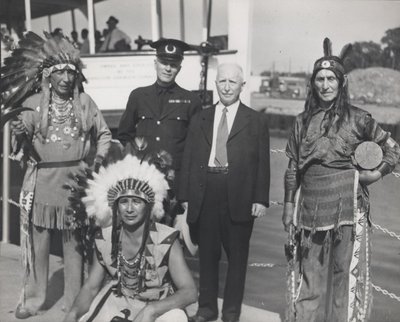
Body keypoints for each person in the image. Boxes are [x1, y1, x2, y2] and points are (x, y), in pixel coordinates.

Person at [282, 38, 400, 322]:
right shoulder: (301, 121)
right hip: (308, 209)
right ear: (313, 83)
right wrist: (288, 205)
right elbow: (292, 166)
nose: (325, 85)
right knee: (309, 278)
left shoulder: (358, 118)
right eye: (319, 79)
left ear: (341, 82)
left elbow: (393, 148)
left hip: (348, 209)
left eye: (331, 78)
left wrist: (376, 173)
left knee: (344, 277)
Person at [1, 31, 112, 318]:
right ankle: (34, 300)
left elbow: (103, 134)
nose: (65, 79)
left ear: (77, 76)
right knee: (38, 245)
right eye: (60, 73)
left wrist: (98, 160)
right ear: (48, 75)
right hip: (41, 183)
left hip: (75, 183)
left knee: (74, 247)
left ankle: (73, 302)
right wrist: (20, 132)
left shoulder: (86, 103)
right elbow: (21, 131)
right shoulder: (34, 103)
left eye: (70, 73)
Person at [178, 63, 270, 322]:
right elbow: (189, 158)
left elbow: (263, 163)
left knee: (237, 259)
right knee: (207, 255)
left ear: (242, 85)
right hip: (206, 191)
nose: (227, 86)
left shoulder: (256, 121)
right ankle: (207, 308)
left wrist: (260, 199)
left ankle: (231, 313)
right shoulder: (201, 118)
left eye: (232, 82)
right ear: (215, 84)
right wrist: (185, 196)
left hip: (239, 196)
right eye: (222, 81)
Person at [63, 149, 197, 322]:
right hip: (118, 303)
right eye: (124, 202)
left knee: (176, 318)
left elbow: (190, 291)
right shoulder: (104, 239)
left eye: (137, 202)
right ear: (115, 207)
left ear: (148, 206)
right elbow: (90, 287)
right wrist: (73, 312)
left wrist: (152, 310)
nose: (129, 209)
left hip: (159, 306)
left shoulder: (165, 239)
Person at [117, 38, 202, 224]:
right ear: (155, 64)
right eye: (164, 63)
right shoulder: (138, 96)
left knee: (168, 240)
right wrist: (134, 166)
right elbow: (124, 135)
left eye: (173, 64)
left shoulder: (191, 101)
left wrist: (186, 192)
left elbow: (195, 149)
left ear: (179, 67)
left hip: (174, 186)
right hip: (141, 182)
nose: (167, 68)